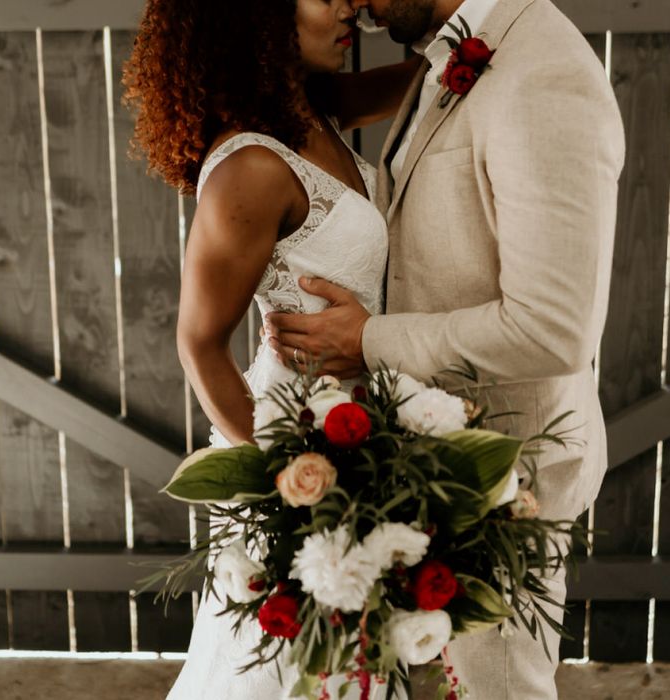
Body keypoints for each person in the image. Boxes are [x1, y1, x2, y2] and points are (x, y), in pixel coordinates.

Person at [267, 0, 626, 697]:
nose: (354, 3)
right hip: (439, 456)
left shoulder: (543, 75)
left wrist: (368, 340)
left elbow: (551, 326)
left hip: (504, 469)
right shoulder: (459, 51)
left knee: (499, 688)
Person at [123, 0, 419, 697]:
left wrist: (477, 45)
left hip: (364, 429)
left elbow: (423, 83)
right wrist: (284, 481)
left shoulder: (313, 111)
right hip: (300, 448)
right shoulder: (251, 167)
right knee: (296, 665)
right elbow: (198, 342)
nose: (348, 5)